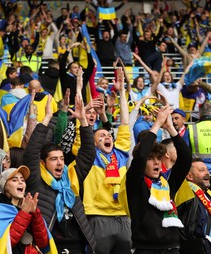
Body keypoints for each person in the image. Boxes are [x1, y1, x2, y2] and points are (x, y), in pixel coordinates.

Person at [24, 95, 97, 253]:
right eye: (54, 159)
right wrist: (47, 119)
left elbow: (88, 154)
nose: (59, 163)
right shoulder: (36, 179)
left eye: (62, 159)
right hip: (50, 245)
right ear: (43, 163)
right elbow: (31, 152)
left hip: (77, 245)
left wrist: (83, 122)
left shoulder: (71, 176)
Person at [122, 105, 192, 253]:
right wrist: (157, 124)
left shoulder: (167, 183)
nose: (156, 162)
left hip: (172, 248)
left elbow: (185, 158)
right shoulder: (135, 182)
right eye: (151, 159)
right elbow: (140, 156)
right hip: (146, 249)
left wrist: (170, 128)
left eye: (158, 158)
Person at [83, 69, 131, 254]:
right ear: (94, 141)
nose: (106, 136)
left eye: (107, 134)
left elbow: (125, 123)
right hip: (97, 215)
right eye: (100, 135)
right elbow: (84, 129)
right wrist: (86, 108)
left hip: (123, 215)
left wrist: (121, 92)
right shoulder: (89, 155)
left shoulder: (120, 154)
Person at [0, 166, 56, 253]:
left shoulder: (28, 207)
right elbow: (5, 244)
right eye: (14, 180)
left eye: (22, 180)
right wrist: (24, 214)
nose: (20, 183)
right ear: (6, 187)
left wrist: (35, 214)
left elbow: (43, 243)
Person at [176, 158, 211, 254]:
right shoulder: (187, 196)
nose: (207, 172)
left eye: (207, 169)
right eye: (201, 170)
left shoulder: (209, 195)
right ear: (189, 176)